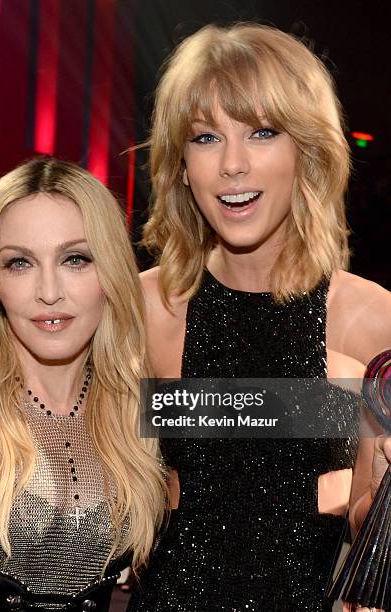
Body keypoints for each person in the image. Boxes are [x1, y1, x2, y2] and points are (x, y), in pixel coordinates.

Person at [127, 23, 391, 612]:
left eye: (263, 132)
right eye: (205, 138)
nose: (233, 165)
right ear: (181, 165)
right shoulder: (143, 310)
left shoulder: (371, 320)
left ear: (308, 149)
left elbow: (369, 528)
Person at [0, 158, 167, 611]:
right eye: (20, 263)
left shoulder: (137, 410)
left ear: (110, 272)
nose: (49, 291)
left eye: (75, 259)